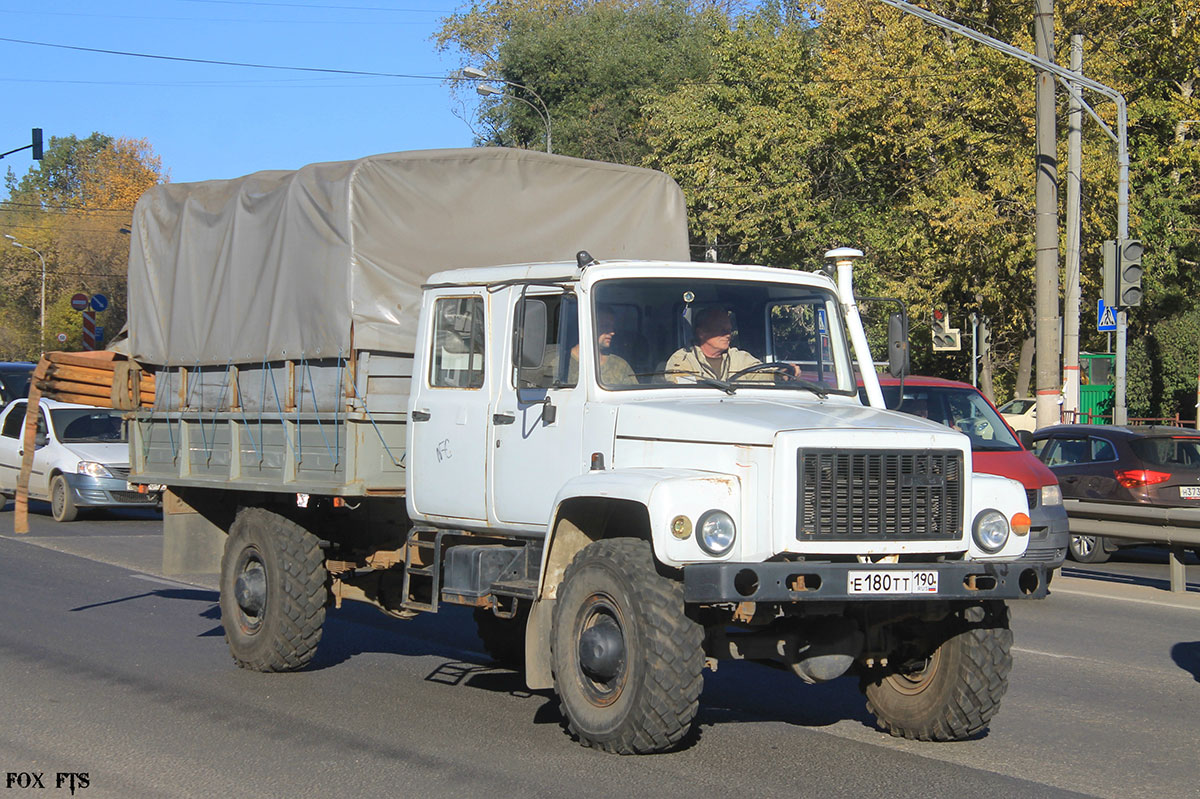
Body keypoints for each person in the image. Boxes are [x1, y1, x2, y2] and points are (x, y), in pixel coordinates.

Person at [665, 308, 791, 383]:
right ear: (702, 333)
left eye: (729, 330)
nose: (728, 335)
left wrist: (781, 374)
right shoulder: (683, 359)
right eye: (722, 330)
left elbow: (761, 373)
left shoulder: (739, 357)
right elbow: (684, 394)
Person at [547, 306, 636, 386]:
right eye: (605, 326)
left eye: (612, 327)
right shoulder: (560, 364)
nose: (612, 332)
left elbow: (634, 397)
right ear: (588, 326)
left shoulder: (620, 365)